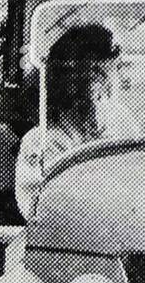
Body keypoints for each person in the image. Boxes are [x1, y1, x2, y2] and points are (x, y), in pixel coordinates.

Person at [15, 22, 127, 221]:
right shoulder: (41, 141)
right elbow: (39, 210)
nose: (118, 81)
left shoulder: (123, 123)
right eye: (95, 74)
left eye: (114, 71)